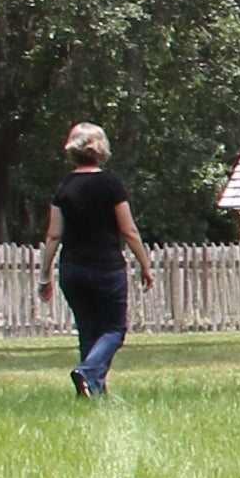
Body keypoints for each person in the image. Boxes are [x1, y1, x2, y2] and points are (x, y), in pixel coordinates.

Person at [37, 124, 147, 397]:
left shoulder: (64, 187)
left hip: (73, 269)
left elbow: (53, 235)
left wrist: (45, 274)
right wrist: (145, 264)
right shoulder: (110, 184)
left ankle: (92, 390)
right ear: (101, 150)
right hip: (106, 267)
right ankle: (88, 373)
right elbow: (128, 230)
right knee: (114, 329)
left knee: (88, 330)